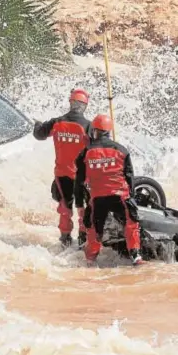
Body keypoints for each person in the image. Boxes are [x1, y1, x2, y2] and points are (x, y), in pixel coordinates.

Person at [74, 113, 144, 266]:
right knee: (132, 223)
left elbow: (79, 182)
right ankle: (136, 256)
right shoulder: (122, 150)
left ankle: (90, 260)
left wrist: (80, 203)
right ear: (109, 132)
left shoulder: (85, 152)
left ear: (95, 131)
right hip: (120, 197)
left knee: (93, 229)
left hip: (98, 199)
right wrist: (131, 198)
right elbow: (129, 177)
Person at [33, 88, 91, 247]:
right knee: (82, 208)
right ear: (85, 106)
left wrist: (38, 123)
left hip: (62, 174)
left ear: (70, 103)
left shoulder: (56, 122)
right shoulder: (89, 127)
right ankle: (82, 239)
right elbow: (99, 148)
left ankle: (65, 240)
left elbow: (39, 135)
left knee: (65, 208)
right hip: (82, 176)